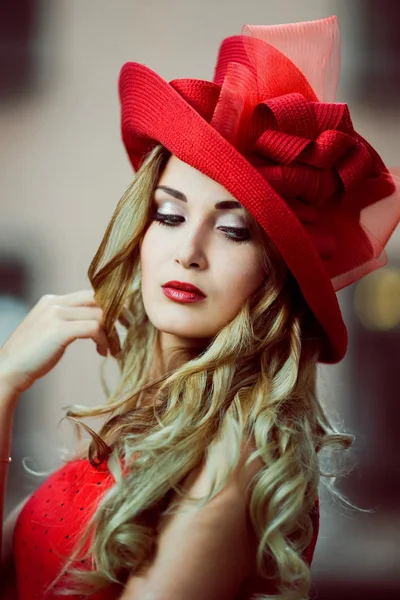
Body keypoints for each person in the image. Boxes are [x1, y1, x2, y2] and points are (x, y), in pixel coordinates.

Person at [0, 14, 399, 600]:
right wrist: (6, 381)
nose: (188, 251)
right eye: (169, 215)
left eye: (234, 231)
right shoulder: (142, 422)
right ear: (140, 231)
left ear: (274, 271)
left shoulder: (235, 450)